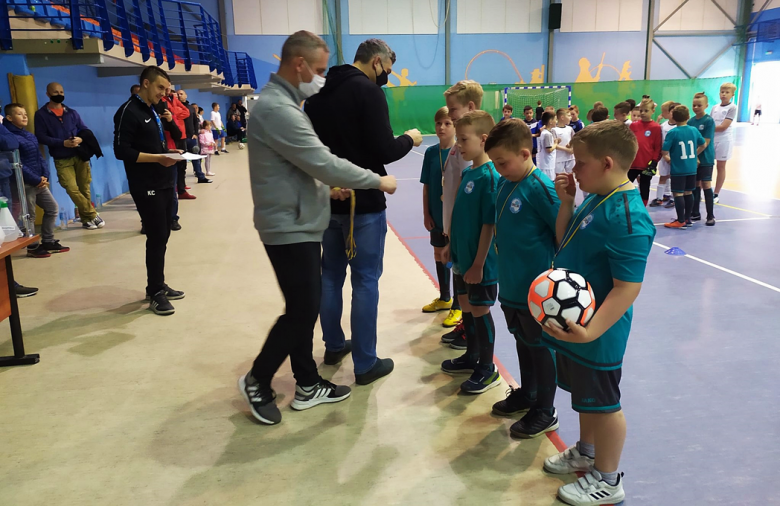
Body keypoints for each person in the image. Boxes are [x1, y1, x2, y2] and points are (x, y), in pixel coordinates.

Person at [242, 31, 397, 425]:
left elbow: (299, 166)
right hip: (289, 224)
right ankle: (258, 378)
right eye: (319, 70)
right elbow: (321, 160)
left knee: (307, 304)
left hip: (302, 218)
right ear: (299, 65)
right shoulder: (279, 109)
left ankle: (308, 382)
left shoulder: (292, 105)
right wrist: (376, 180)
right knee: (301, 309)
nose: (322, 78)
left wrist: (327, 189)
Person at [543, 121, 655, 506]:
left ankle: (608, 480)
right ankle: (586, 452)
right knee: (585, 398)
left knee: (605, 405)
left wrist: (591, 331)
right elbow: (563, 242)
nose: (574, 170)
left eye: (580, 163)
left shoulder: (627, 216)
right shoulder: (596, 195)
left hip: (599, 332)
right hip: (578, 325)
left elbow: (628, 287)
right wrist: (567, 203)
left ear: (607, 163)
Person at [305, 38, 421, 386]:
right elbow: (384, 148)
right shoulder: (368, 93)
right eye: (387, 68)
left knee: (330, 276)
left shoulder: (318, 94)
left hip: (327, 199)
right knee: (365, 281)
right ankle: (366, 363)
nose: (386, 75)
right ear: (376, 62)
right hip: (364, 204)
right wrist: (410, 139)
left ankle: (334, 344)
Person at [485, 118, 560, 438]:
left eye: (503, 162)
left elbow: (562, 233)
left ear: (526, 153)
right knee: (522, 340)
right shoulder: (505, 183)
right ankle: (528, 393)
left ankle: (545, 409)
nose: (499, 169)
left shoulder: (540, 187)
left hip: (537, 287)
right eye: (495, 163)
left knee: (541, 347)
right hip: (512, 284)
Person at [113, 66, 184, 315]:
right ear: (145, 83)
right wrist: (156, 158)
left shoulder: (153, 110)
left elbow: (155, 143)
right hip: (146, 185)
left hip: (163, 180)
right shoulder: (128, 111)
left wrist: (168, 152)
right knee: (156, 236)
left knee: (163, 234)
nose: (164, 94)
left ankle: (157, 283)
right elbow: (122, 151)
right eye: (160, 88)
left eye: (166, 89)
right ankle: (154, 292)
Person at [440, 110, 501, 394]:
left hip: (480, 263)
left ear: (483, 139)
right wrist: (451, 245)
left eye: (463, 139)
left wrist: (478, 263)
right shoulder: (468, 172)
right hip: (462, 258)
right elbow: (460, 216)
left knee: (480, 310)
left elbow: (489, 224)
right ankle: (472, 356)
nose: (459, 144)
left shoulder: (490, 177)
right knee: (466, 308)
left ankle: (487, 368)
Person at [440, 79, 485, 350]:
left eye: (453, 110)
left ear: (469, 107)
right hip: (455, 228)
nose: (449, 114)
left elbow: (468, 194)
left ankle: (473, 338)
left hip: (465, 231)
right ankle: (466, 327)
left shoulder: (471, 150)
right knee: (462, 288)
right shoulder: (460, 143)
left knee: (472, 292)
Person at [3, 104, 69, 259]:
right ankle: (32, 247)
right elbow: (17, 163)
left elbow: (39, 157)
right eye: (19, 114)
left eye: (25, 113)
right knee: (29, 215)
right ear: (9, 118)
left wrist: (45, 175)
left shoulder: (29, 135)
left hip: (39, 181)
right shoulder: (10, 139)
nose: (24, 116)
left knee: (52, 208)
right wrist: (36, 179)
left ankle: (48, 240)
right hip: (25, 183)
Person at [35, 82, 104, 230]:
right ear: (48, 94)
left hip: (80, 155)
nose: (59, 94)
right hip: (61, 157)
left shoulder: (71, 112)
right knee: (71, 188)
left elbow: (84, 129)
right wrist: (62, 143)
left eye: (61, 91)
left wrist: (80, 138)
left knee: (84, 188)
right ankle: (92, 214)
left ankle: (86, 220)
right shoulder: (41, 114)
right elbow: (41, 137)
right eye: (55, 92)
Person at [420, 106, 461, 328]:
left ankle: (457, 305)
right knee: (438, 254)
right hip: (436, 214)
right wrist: (426, 213)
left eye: (447, 123)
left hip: (453, 217)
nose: (442, 127)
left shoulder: (460, 153)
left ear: (455, 126)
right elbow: (426, 186)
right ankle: (444, 297)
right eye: (438, 123)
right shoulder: (430, 152)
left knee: (454, 258)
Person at [0, 120, 39, 297]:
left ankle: (8, 284)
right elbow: (10, 142)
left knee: (4, 238)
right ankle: (8, 286)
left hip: (3, 176)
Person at [662, 105, 706, 229]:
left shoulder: (673, 132)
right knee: (688, 192)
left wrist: (667, 158)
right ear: (688, 117)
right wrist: (694, 155)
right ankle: (688, 219)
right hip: (692, 168)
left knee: (677, 194)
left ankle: (680, 220)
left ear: (674, 118)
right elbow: (703, 144)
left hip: (678, 169)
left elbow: (664, 150)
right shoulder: (694, 130)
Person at [688, 92, 717, 226]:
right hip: (694, 159)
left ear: (706, 105)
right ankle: (695, 213)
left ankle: (710, 215)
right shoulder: (690, 121)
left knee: (706, 184)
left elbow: (705, 142)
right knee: (695, 185)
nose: (696, 107)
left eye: (699, 105)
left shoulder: (708, 121)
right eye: (694, 105)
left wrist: (695, 155)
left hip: (705, 158)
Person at [628, 97, 662, 206]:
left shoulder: (656, 127)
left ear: (653, 111)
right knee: (625, 185)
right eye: (641, 110)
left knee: (644, 186)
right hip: (632, 163)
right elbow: (629, 143)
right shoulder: (633, 125)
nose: (643, 113)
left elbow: (658, 147)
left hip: (647, 165)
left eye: (646, 111)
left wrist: (654, 161)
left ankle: (643, 209)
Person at [161, 87, 193, 201]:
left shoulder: (173, 99)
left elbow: (187, 112)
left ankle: (181, 188)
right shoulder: (162, 100)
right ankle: (176, 189)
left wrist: (174, 115)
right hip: (171, 135)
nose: (167, 89)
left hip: (181, 134)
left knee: (182, 164)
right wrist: (175, 115)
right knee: (173, 165)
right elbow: (166, 114)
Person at [176, 89, 211, 184]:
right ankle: (181, 182)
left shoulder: (190, 108)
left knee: (195, 157)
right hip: (180, 139)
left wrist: (195, 133)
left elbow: (196, 122)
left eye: (181, 94)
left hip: (191, 138)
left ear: (186, 95)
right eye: (178, 94)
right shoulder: (175, 107)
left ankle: (200, 176)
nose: (179, 95)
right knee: (181, 161)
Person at [711, 82, 737, 202]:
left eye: (727, 92)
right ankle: (704, 190)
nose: (724, 94)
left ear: (732, 94)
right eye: (722, 92)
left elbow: (723, 126)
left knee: (721, 166)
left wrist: (705, 128)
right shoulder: (714, 107)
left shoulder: (732, 107)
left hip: (724, 140)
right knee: (707, 165)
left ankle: (716, 193)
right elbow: (710, 123)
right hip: (712, 139)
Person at [649, 101, 678, 208]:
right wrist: (663, 154)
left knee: (675, 178)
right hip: (664, 155)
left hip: (676, 156)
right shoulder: (663, 126)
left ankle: (674, 198)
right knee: (663, 176)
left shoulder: (679, 127)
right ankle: (660, 198)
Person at [552, 108, 575, 174]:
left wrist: (571, 145)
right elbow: (554, 145)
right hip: (559, 158)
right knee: (560, 177)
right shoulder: (554, 130)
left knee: (571, 177)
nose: (570, 117)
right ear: (562, 117)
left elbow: (574, 139)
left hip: (570, 158)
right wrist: (566, 149)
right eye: (568, 115)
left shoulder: (569, 129)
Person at [537, 111, 558, 180]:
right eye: (555, 119)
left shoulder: (547, 132)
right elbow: (549, 149)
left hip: (547, 163)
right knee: (549, 181)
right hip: (547, 164)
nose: (556, 121)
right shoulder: (547, 134)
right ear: (550, 121)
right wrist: (555, 143)